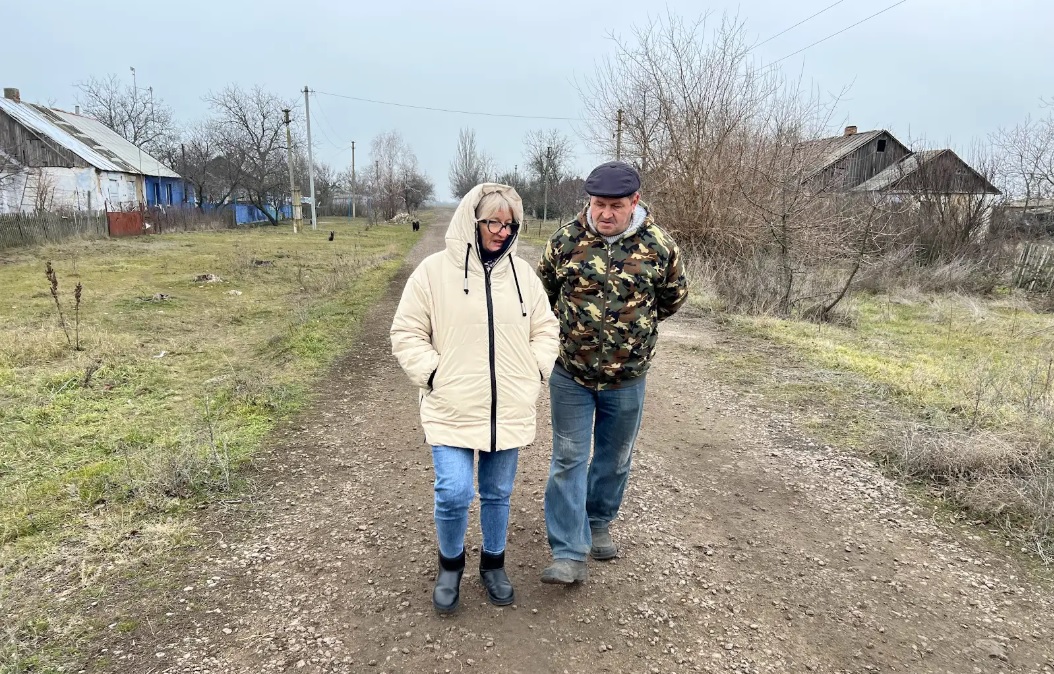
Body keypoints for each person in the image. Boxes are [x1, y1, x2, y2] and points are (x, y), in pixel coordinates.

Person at [390, 183, 559, 613]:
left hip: (508, 407)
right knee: (454, 490)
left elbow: (546, 328)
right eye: (493, 223)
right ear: (472, 220)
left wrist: (535, 370)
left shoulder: (523, 276)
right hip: (451, 405)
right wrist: (434, 374)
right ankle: (450, 567)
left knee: (498, 490)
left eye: (510, 225)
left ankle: (493, 564)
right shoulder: (432, 272)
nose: (502, 232)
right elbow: (406, 332)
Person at [537, 161, 688, 584]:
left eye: (615, 206)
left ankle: (597, 520)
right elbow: (542, 294)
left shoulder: (660, 246)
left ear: (634, 202)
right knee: (568, 457)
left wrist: (633, 335)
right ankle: (568, 551)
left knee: (614, 457)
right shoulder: (564, 241)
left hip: (627, 377)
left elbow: (672, 298)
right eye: (598, 204)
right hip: (571, 373)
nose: (605, 213)